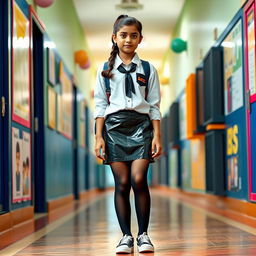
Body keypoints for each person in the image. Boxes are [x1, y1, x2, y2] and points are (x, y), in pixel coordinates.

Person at [94, 14, 162, 254]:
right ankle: (126, 237)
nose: (128, 40)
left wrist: (157, 135)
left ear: (140, 39)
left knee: (139, 179)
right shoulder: (105, 70)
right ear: (114, 38)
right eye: (123, 35)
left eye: (134, 35)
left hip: (142, 127)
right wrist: (98, 136)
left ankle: (143, 235)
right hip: (113, 129)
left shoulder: (147, 69)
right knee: (122, 183)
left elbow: (154, 105)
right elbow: (100, 106)